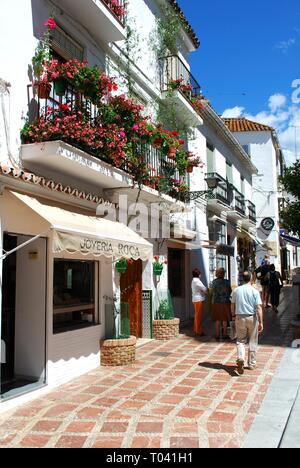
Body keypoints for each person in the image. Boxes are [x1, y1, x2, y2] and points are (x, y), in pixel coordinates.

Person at [231, 271, 264, 375]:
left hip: (240, 317)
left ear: (242, 278)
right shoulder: (255, 291)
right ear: (250, 279)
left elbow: (232, 304)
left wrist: (233, 315)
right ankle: (252, 363)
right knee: (253, 341)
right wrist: (261, 322)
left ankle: (241, 358)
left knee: (240, 340)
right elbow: (259, 307)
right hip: (252, 317)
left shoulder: (236, 290)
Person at [211, 268, 232, 341]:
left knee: (217, 319)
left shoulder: (214, 282)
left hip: (216, 302)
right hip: (225, 302)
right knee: (224, 319)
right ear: (223, 274)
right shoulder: (227, 282)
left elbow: (212, 292)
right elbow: (230, 291)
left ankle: (217, 334)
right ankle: (225, 334)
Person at [191, 268, 207, 337]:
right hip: (198, 299)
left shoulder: (193, 280)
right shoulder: (197, 281)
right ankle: (199, 331)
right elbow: (204, 289)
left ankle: (195, 329)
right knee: (198, 316)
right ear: (198, 274)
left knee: (196, 315)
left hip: (195, 299)